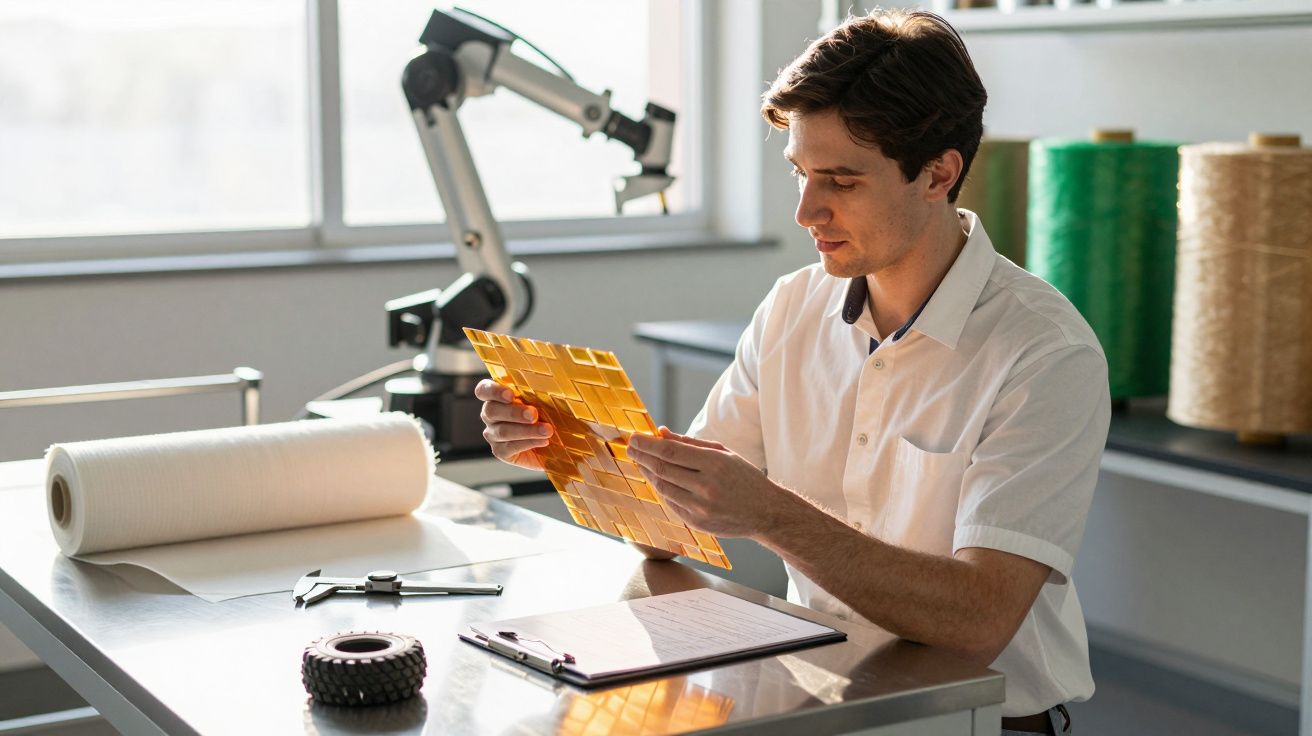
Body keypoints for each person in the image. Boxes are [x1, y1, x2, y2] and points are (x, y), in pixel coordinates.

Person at [475, 9, 1106, 735]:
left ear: (938, 173)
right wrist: (568, 446)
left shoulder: (1044, 352)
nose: (807, 211)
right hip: (825, 696)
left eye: (841, 181)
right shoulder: (793, 308)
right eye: (801, 173)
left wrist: (769, 514)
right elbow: (672, 527)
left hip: (980, 722)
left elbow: (977, 621)